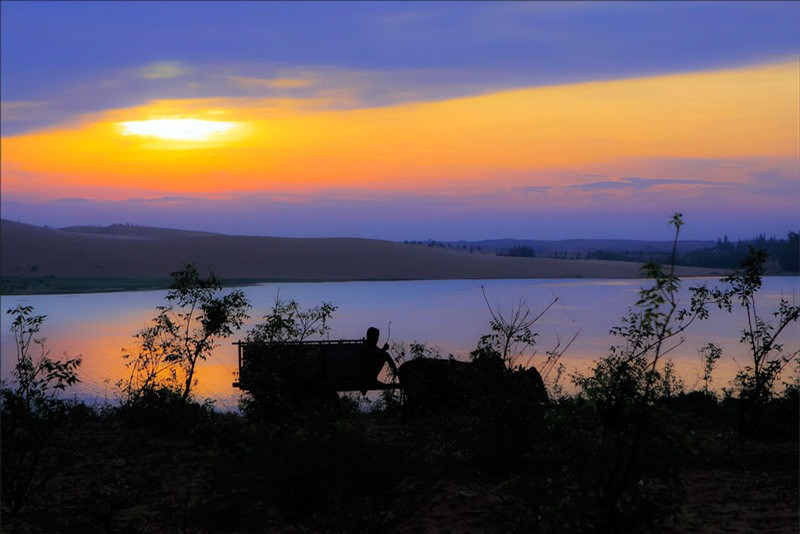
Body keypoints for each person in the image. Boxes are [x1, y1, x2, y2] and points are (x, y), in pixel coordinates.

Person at [361, 326, 397, 395]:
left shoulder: (372, 346)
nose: (377, 339)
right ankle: (372, 380)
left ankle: (394, 370)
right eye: (375, 337)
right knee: (384, 355)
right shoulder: (366, 345)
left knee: (384, 354)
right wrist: (383, 349)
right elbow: (374, 353)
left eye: (377, 337)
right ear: (370, 337)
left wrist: (383, 349)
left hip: (367, 372)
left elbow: (377, 352)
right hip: (366, 372)